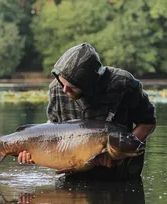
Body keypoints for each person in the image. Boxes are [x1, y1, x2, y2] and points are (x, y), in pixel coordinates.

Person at [18, 43, 156, 179]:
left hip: (121, 173)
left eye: (71, 86)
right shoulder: (57, 88)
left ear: (89, 85)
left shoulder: (124, 83)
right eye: (62, 83)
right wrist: (34, 151)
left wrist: (118, 153)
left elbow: (147, 122)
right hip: (72, 172)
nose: (65, 90)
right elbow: (52, 126)